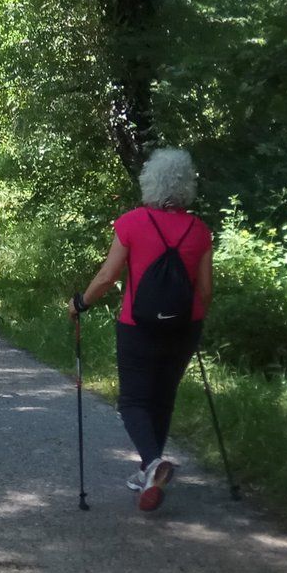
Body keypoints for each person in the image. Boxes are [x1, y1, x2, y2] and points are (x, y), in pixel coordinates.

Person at [69, 148, 213, 512]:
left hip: (138, 325)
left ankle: (151, 464)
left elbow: (107, 277)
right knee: (163, 399)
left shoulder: (132, 222)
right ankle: (150, 470)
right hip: (185, 325)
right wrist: (194, 321)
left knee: (133, 400)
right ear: (186, 186)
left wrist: (80, 303)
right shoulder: (200, 230)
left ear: (150, 182)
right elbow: (206, 289)